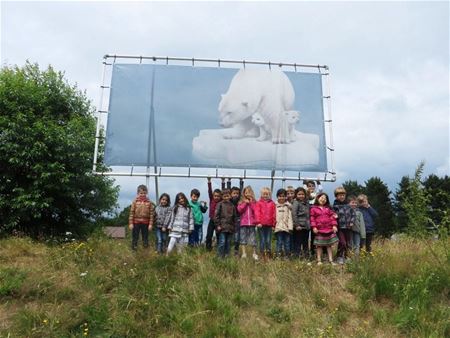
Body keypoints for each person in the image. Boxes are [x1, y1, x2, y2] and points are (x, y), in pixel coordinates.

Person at [310, 192, 338, 265]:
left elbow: (333, 217)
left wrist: (334, 225)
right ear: (317, 198)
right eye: (322, 198)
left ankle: (331, 260)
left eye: (325, 198)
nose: (323, 199)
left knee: (329, 245)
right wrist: (314, 227)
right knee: (319, 245)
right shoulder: (313, 208)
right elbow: (312, 219)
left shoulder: (328, 209)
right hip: (319, 229)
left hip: (328, 229)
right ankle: (319, 260)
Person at [128, 184, 155, 251]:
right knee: (135, 237)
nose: (142, 194)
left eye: (144, 193)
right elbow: (131, 213)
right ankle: (134, 250)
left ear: (146, 193)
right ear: (138, 193)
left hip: (145, 223)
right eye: (141, 193)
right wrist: (130, 223)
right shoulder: (135, 202)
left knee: (145, 237)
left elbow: (151, 214)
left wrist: (150, 224)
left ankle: (145, 251)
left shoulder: (149, 202)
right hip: (136, 222)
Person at [333, 187, 355, 264]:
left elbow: (353, 214)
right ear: (336, 196)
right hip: (340, 227)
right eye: (339, 195)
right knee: (343, 242)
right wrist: (335, 217)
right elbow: (333, 216)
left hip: (348, 227)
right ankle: (339, 257)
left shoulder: (348, 205)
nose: (341, 197)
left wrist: (352, 222)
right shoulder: (335, 206)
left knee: (348, 243)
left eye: (343, 195)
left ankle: (346, 256)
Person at [237, 185, 259, 260]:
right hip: (243, 223)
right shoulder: (241, 202)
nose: (248, 194)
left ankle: (254, 253)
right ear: (244, 194)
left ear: (252, 193)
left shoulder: (254, 202)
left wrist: (251, 202)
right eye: (246, 193)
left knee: (253, 239)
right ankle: (244, 253)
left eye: (249, 192)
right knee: (243, 238)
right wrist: (245, 203)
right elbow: (239, 210)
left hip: (252, 223)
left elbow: (255, 210)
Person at [215, 189, 237, 258]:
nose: (226, 198)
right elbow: (216, 216)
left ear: (230, 196)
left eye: (227, 196)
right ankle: (219, 256)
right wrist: (218, 225)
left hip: (230, 228)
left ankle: (227, 256)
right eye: (224, 196)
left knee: (228, 243)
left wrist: (234, 226)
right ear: (222, 197)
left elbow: (234, 217)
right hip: (222, 227)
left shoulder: (232, 205)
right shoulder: (220, 204)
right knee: (222, 242)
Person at [255, 187, 276, 259]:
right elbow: (257, 213)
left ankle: (268, 253)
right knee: (262, 240)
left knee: (268, 240)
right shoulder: (259, 203)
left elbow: (274, 214)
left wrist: (273, 224)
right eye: (264, 194)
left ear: (269, 194)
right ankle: (262, 254)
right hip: (261, 225)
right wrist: (258, 222)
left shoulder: (272, 203)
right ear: (261, 194)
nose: (265, 195)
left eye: (267, 194)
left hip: (269, 225)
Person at [291, 187, 310, 259]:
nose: (301, 196)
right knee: (298, 242)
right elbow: (294, 214)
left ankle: (306, 256)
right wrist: (297, 225)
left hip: (306, 226)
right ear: (296, 195)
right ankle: (296, 256)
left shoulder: (306, 202)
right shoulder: (296, 202)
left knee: (305, 242)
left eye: (302, 194)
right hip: (299, 227)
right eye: (299, 194)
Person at [205, 178, 223, 251]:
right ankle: (208, 249)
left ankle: (219, 249)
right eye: (215, 196)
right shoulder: (211, 200)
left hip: (218, 221)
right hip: (212, 220)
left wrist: (222, 181)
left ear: (220, 197)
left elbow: (223, 191)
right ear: (213, 196)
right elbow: (210, 191)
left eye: (218, 196)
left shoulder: (221, 202)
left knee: (219, 235)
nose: (216, 197)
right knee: (209, 235)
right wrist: (209, 181)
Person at [274, 188, 293, 258]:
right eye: (280, 196)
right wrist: (273, 226)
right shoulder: (275, 206)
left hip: (286, 228)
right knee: (279, 242)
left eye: (283, 196)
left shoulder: (288, 206)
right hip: (278, 227)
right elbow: (273, 216)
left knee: (287, 243)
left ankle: (287, 256)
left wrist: (290, 227)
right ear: (277, 197)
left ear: (286, 197)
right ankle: (278, 255)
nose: (281, 198)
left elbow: (290, 218)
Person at [230, 181, 244, 256]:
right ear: (231, 194)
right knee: (229, 237)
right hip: (230, 220)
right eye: (234, 193)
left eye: (237, 193)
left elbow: (241, 192)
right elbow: (228, 190)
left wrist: (241, 182)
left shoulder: (239, 200)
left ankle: (236, 251)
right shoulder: (229, 200)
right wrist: (229, 181)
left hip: (238, 219)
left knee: (237, 237)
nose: (236, 195)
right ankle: (227, 250)